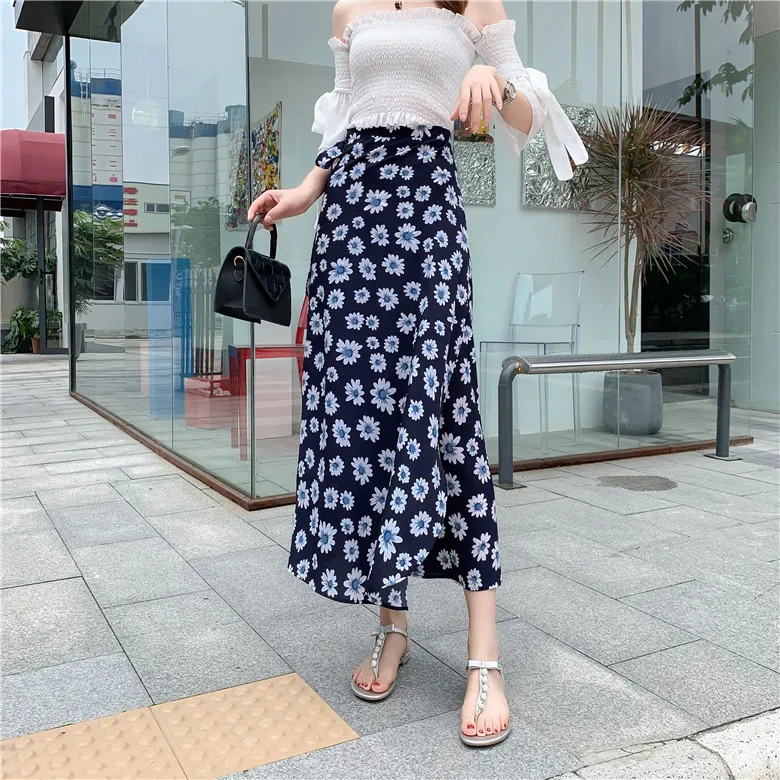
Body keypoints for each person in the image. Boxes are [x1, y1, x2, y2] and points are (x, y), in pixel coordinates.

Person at [248, 0, 586, 748]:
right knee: (367, 419)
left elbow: (527, 116)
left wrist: (493, 80)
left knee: (444, 411)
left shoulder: (471, 5)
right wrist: (302, 194)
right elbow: (345, 121)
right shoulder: (350, 9)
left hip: (427, 215)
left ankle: (484, 655)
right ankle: (392, 625)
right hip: (351, 224)